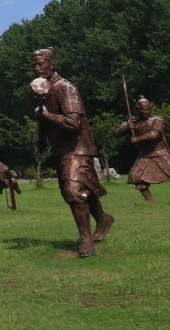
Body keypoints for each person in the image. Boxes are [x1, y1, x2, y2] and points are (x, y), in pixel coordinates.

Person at [27, 47, 114, 257]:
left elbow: (74, 123)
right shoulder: (42, 88)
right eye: (34, 65)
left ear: (53, 64)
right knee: (83, 189)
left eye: (42, 64)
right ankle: (103, 219)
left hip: (78, 148)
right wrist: (41, 137)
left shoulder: (65, 88)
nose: (38, 68)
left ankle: (86, 241)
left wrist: (45, 117)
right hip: (60, 149)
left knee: (73, 192)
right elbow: (43, 115)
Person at [114, 97, 170, 205]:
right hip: (144, 154)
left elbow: (154, 135)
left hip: (160, 152)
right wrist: (127, 127)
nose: (146, 111)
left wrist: (137, 139)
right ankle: (149, 200)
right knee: (135, 177)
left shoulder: (157, 120)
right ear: (137, 109)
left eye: (148, 109)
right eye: (143, 109)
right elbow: (116, 133)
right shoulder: (132, 121)